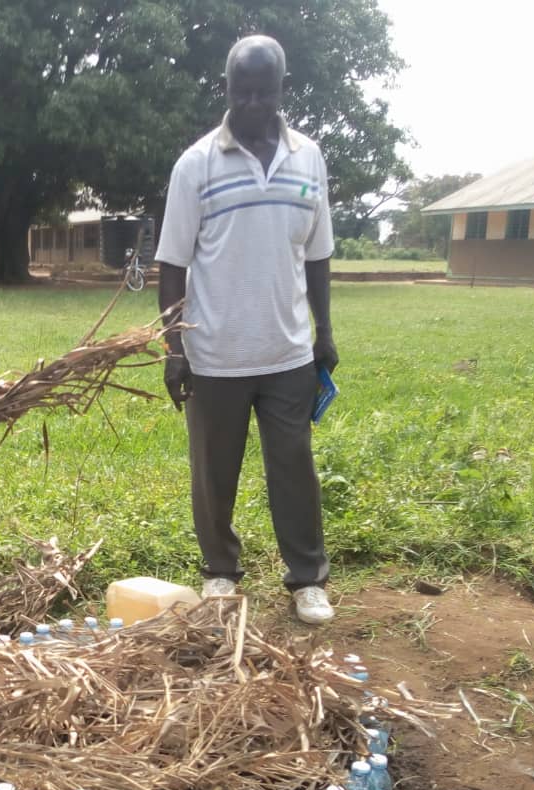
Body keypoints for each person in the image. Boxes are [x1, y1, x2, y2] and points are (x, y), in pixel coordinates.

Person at [157, 34, 338, 626]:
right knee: (214, 475)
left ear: (283, 89)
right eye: (243, 91)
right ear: (227, 90)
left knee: (294, 466)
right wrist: (174, 348)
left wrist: (324, 334)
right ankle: (219, 573)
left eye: (265, 91)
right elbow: (173, 264)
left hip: (287, 352)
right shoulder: (196, 164)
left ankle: (307, 578)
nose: (254, 102)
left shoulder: (309, 157)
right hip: (214, 354)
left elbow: (318, 254)